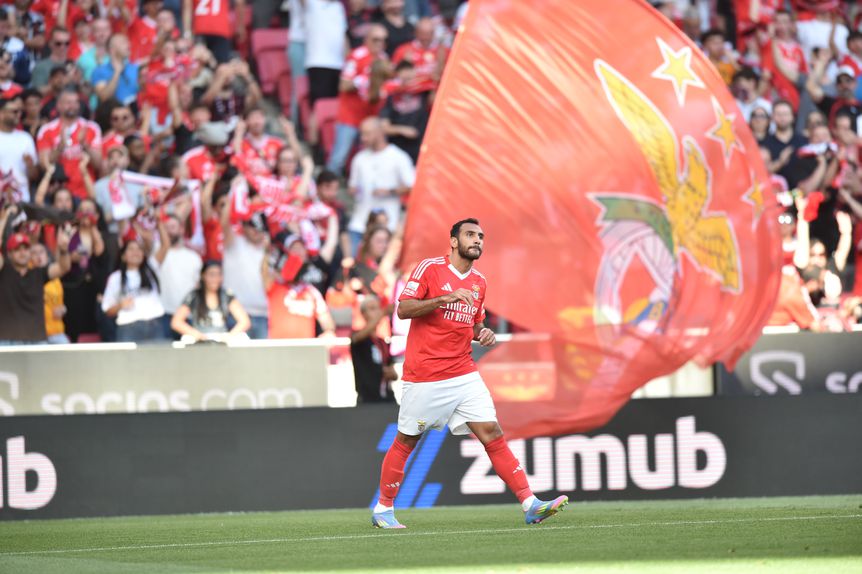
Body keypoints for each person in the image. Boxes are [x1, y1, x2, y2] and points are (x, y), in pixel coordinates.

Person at [371, 218, 568, 529]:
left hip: (463, 372)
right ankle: (383, 509)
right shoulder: (430, 269)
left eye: (481, 236)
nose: (477, 240)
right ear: (453, 241)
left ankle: (530, 504)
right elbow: (404, 309)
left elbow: (472, 323)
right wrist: (442, 298)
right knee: (407, 440)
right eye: (471, 235)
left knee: (491, 432)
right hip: (425, 373)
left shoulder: (479, 282)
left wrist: (483, 333)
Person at [0, 204, 72, 344]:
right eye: (17, 249)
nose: (22, 253)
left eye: (25, 249)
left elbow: (63, 267)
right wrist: (5, 220)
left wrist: (63, 250)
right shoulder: (3, 271)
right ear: (9, 254)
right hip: (6, 340)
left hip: (36, 340)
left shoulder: (38, 273)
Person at [346, 116, 414, 253]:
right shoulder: (359, 158)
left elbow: (412, 186)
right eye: (362, 134)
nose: (363, 138)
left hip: (386, 227)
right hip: (359, 224)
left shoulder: (399, 157)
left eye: (367, 134)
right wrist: (352, 190)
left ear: (379, 133)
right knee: (353, 268)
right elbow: (352, 185)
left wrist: (390, 191)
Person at [101, 237, 166, 342]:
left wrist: (159, 222)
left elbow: (165, 245)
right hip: (128, 327)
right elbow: (107, 309)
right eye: (131, 249)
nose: (135, 252)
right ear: (123, 256)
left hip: (155, 325)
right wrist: (120, 305)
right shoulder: (115, 278)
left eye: (139, 249)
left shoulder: (151, 270)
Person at [170, 260, 251, 342]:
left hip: (222, 340)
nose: (215, 278)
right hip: (199, 341)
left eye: (219, 274)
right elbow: (176, 322)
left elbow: (244, 321)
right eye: (212, 275)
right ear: (203, 275)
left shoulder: (226, 295)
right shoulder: (194, 296)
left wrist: (230, 335)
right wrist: (196, 334)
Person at [350, 294, 396, 403]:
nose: (377, 312)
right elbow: (358, 337)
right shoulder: (358, 337)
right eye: (372, 309)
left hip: (387, 398)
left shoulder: (384, 342)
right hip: (367, 399)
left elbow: (392, 371)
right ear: (363, 314)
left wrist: (392, 374)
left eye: (378, 308)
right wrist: (383, 313)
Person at [0, 94, 38, 203]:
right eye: (14, 112)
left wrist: (30, 166)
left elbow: (34, 176)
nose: (18, 115)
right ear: (1, 114)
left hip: (21, 199)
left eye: (20, 112)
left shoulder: (25, 138)